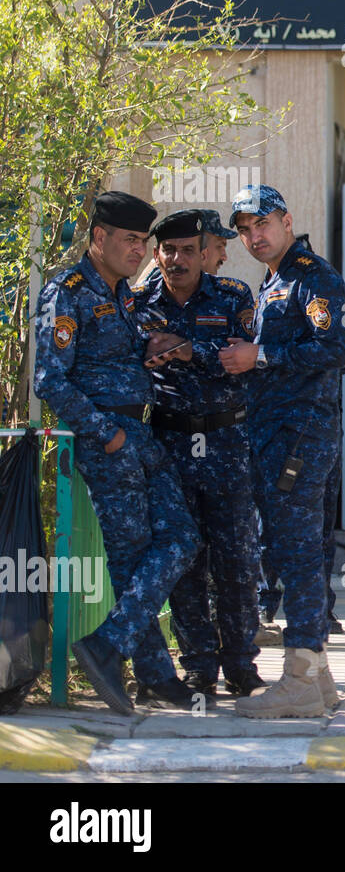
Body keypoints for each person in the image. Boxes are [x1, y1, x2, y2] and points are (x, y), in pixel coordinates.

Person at [33, 191, 201, 714]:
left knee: (181, 539)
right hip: (110, 442)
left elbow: (116, 359)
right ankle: (150, 672)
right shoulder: (69, 291)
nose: (138, 250)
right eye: (129, 240)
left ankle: (110, 647)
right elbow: (48, 379)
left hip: (144, 437)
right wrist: (106, 432)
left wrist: (150, 351)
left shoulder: (124, 293)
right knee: (134, 561)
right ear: (98, 238)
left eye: (141, 241)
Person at [220, 185, 345, 718]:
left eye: (262, 225)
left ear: (287, 220)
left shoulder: (313, 277)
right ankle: (316, 679)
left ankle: (298, 680)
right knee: (290, 552)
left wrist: (261, 356)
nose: (254, 237)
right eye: (246, 231)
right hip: (277, 435)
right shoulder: (274, 280)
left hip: (299, 437)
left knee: (296, 556)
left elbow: (336, 350)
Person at [131, 209, 265, 698]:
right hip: (170, 443)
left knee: (237, 560)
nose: (179, 259)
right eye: (169, 250)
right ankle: (199, 666)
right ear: (156, 254)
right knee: (186, 561)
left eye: (189, 250)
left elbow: (241, 361)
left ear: (203, 252)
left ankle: (241, 664)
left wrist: (190, 351)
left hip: (227, 443)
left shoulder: (232, 296)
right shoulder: (138, 303)